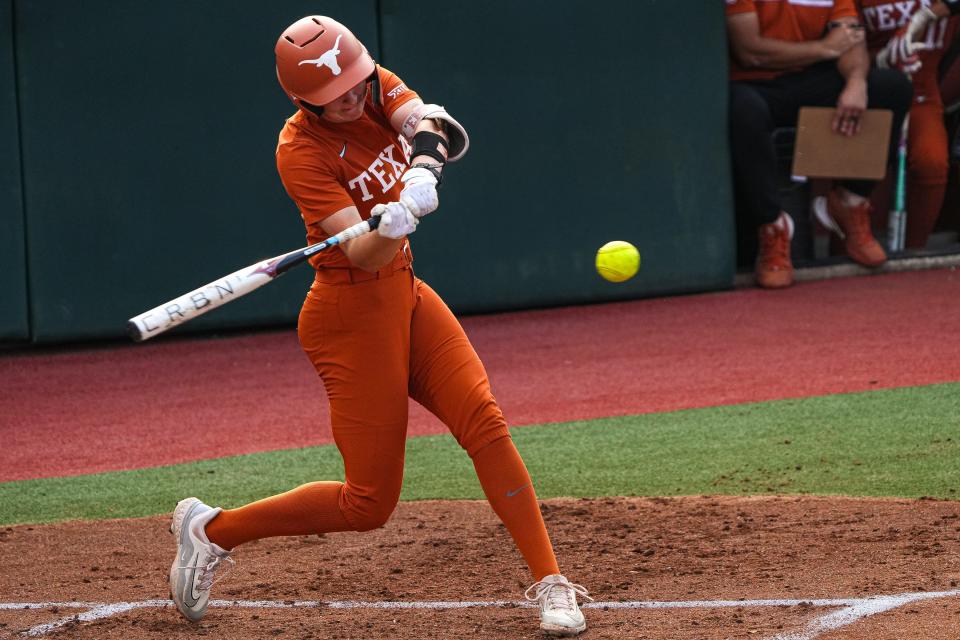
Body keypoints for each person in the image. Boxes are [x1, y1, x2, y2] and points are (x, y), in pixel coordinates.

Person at [166, 15, 591, 637]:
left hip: (408, 297)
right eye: (334, 98)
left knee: (485, 421)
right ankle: (212, 531)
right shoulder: (299, 151)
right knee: (368, 505)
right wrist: (391, 225)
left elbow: (430, 122)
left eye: (357, 85)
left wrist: (420, 172)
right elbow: (361, 254)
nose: (352, 99)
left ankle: (551, 583)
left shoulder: (370, 82)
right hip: (349, 316)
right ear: (301, 101)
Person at [726, 0, 913, 288]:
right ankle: (773, 226)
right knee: (743, 110)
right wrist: (825, 49)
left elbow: (851, 39)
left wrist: (855, 83)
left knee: (891, 87)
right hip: (753, 83)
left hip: (809, 78)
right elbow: (750, 51)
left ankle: (849, 203)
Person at [859, 0, 960, 250]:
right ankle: (845, 254)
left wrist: (927, 15)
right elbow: (840, 51)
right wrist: (880, 59)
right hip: (869, 92)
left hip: (923, 92)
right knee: (858, 175)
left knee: (931, 162)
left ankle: (914, 255)